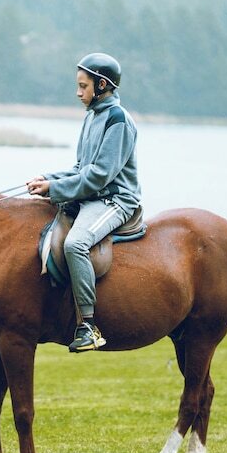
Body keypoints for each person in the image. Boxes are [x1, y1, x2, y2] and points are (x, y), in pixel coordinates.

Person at [27, 52, 140, 352]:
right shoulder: (92, 116)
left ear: (101, 85)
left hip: (115, 200)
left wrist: (55, 188)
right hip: (93, 196)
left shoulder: (118, 120)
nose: (78, 93)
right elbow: (81, 168)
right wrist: (48, 179)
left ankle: (88, 326)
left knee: (75, 244)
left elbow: (100, 175)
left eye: (83, 86)